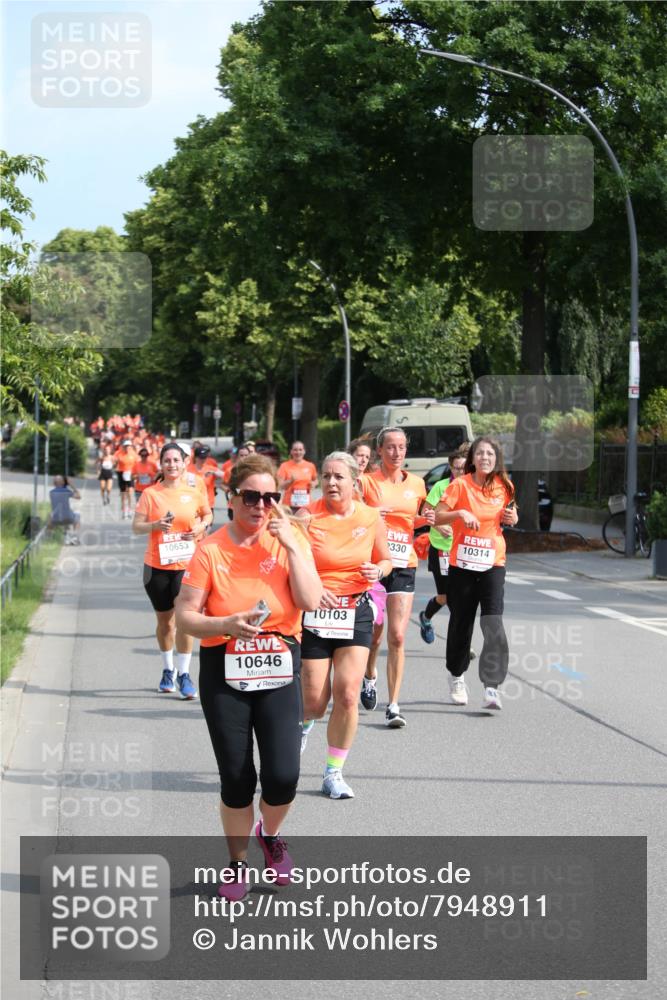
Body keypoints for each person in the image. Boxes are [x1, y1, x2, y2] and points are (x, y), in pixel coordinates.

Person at [175, 455, 322, 896]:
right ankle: (237, 863)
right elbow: (184, 617)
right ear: (231, 498)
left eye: (270, 497)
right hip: (225, 665)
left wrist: (294, 545)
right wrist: (225, 624)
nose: (260, 505)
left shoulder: (290, 538)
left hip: (279, 658)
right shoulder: (210, 549)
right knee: (237, 778)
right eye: (251, 497)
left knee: (283, 776)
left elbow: (311, 601)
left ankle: (270, 836)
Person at [298, 452, 392, 799]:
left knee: (348, 694)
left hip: (355, 611)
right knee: (314, 701)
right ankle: (304, 725)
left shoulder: (369, 517)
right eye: (326, 476)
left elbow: (385, 558)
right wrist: (313, 587)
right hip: (316, 615)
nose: (331, 483)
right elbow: (292, 563)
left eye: (338, 477)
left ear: (355, 482)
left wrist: (378, 571)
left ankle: (333, 773)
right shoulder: (308, 516)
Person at [434, 436, 518, 710]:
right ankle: (457, 675)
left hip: (493, 563)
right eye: (480, 453)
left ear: (496, 459)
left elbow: (511, 513)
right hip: (463, 566)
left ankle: (491, 686)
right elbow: (437, 516)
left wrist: (513, 518)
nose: (485, 458)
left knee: (493, 623)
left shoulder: (504, 485)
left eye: (490, 454)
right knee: (462, 622)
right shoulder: (460, 485)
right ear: (473, 458)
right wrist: (459, 514)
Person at [360, 427, 434, 727]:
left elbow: (415, 520)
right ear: (380, 451)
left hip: (404, 561)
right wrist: (373, 512)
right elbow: (353, 515)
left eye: (402, 447)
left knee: (398, 636)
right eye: (390, 447)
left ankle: (393, 705)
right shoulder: (367, 482)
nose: (397, 452)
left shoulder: (416, 484)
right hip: (375, 564)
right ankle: (369, 674)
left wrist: (426, 520)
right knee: (376, 636)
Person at [133, 443, 212, 700]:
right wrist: (155, 525)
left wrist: (200, 527)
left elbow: (207, 515)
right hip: (156, 566)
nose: (172, 465)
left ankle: (185, 674)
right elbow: (136, 527)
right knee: (165, 623)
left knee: (185, 620)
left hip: (186, 566)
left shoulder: (194, 492)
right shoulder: (150, 494)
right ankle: (168, 670)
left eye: (176, 460)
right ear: (161, 464)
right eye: (167, 460)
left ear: (183, 463)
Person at [418, 445, 469, 645]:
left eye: (464, 468)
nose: (460, 472)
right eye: (456, 468)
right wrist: (439, 527)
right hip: (441, 549)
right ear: (450, 467)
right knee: (445, 597)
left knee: (463, 598)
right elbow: (425, 513)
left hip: (463, 549)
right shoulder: (440, 487)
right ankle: (426, 617)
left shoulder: (471, 488)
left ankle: (461, 643)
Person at [278, 441, 319, 513]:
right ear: (291, 452)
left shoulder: (310, 466)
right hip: (289, 506)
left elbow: (316, 480)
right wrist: (290, 481)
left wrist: (314, 484)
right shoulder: (284, 466)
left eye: (300, 450)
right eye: (295, 450)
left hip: (306, 505)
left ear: (304, 451)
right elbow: (279, 486)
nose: (298, 452)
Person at [188, 444, 223, 516]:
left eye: (205, 457)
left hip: (208, 503)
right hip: (193, 504)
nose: (203, 460)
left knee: (207, 525)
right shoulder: (188, 469)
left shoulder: (210, 469)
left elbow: (226, 475)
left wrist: (215, 473)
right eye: (201, 458)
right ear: (196, 457)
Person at [48, 475, 81, 545]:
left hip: (55, 519)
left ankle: (49, 538)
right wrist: (72, 485)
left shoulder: (51, 492)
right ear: (63, 482)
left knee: (51, 515)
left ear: (54, 483)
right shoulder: (67, 491)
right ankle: (74, 538)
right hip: (67, 518)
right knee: (77, 515)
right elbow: (79, 496)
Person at [114, 439, 137, 519]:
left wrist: (136, 474)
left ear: (131, 447)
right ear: (123, 447)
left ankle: (130, 510)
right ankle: (124, 510)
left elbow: (137, 464)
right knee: (123, 494)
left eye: (129, 446)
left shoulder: (134, 454)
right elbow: (114, 463)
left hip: (130, 474)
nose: (127, 448)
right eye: (126, 446)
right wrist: (115, 464)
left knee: (130, 492)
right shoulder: (118, 453)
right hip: (121, 473)